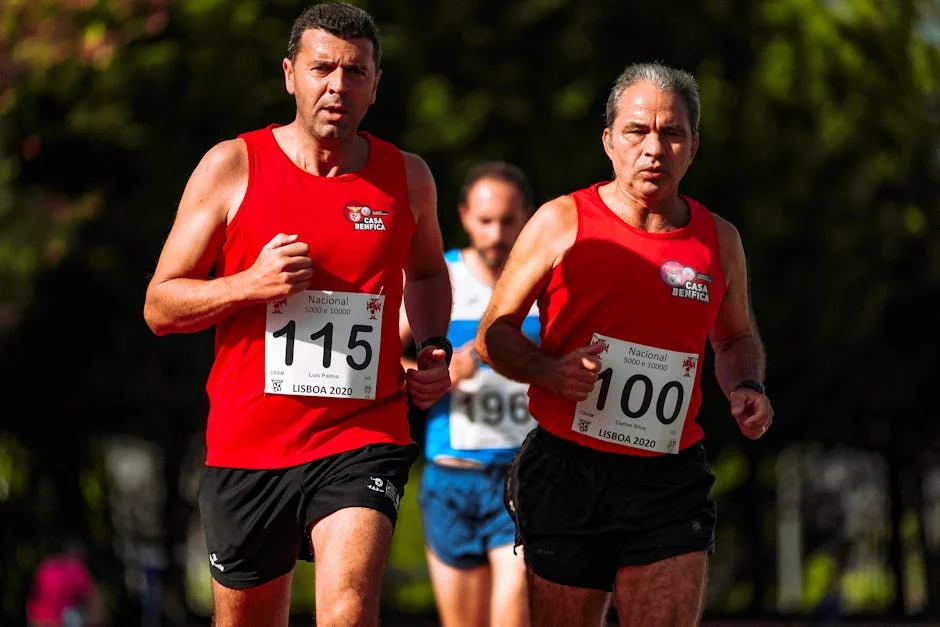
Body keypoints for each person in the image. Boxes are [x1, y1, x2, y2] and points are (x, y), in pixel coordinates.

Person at [142, 3, 453, 625]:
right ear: (290, 75)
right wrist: (249, 284)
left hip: (363, 432)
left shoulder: (407, 178)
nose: (338, 85)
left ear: (375, 85)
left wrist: (434, 346)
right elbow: (160, 305)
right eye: (322, 68)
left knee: (348, 606)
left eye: (356, 72)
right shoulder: (232, 165)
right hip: (249, 445)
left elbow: (424, 272)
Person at [476, 62, 774, 627]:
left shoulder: (720, 240)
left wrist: (745, 384)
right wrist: (550, 371)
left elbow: (735, 336)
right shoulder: (561, 221)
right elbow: (496, 334)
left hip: (669, 476)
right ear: (609, 140)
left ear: (693, 147)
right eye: (637, 131)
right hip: (568, 469)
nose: (653, 148)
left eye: (672, 133)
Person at [401, 162, 536, 627]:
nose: (496, 232)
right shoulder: (444, 279)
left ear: (527, 217)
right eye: (485, 220)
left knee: (513, 606)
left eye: (508, 220)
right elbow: (379, 356)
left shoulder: (543, 284)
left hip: (522, 479)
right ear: (463, 216)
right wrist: (433, 369)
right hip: (451, 480)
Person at [26, 539, 107, 627]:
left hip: (39, 621)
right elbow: (94, 600)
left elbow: (34, 596)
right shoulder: (76, 570)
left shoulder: (45, 567)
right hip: (62, 622)